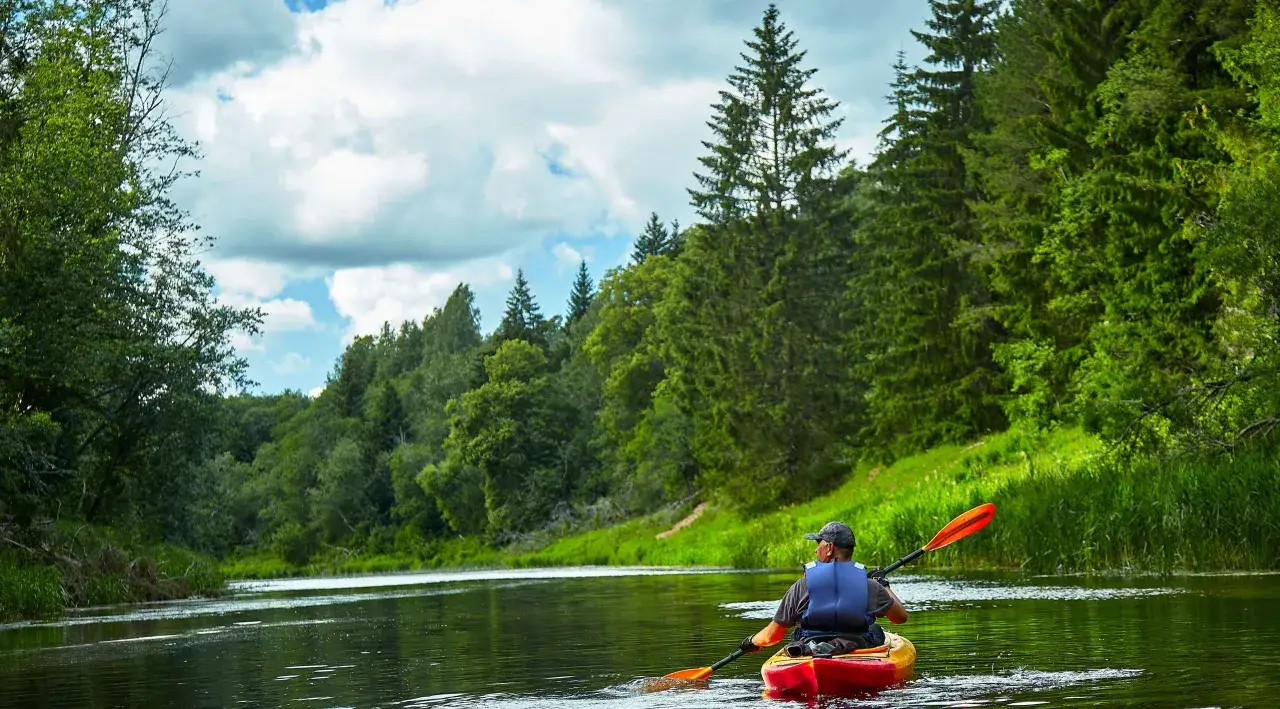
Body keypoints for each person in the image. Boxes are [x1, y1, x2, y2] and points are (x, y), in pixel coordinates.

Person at [738, 521, 908, 658]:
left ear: (829, 547)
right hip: (856, 647)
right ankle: (837, 647)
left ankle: (821, 648)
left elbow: (771, 636)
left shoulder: (802, 586)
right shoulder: (869, 585)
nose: (815, 548)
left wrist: (752, 640)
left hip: (810, 646)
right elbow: (900, 617)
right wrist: (883, 584)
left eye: (818, 543)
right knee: (875, 630)